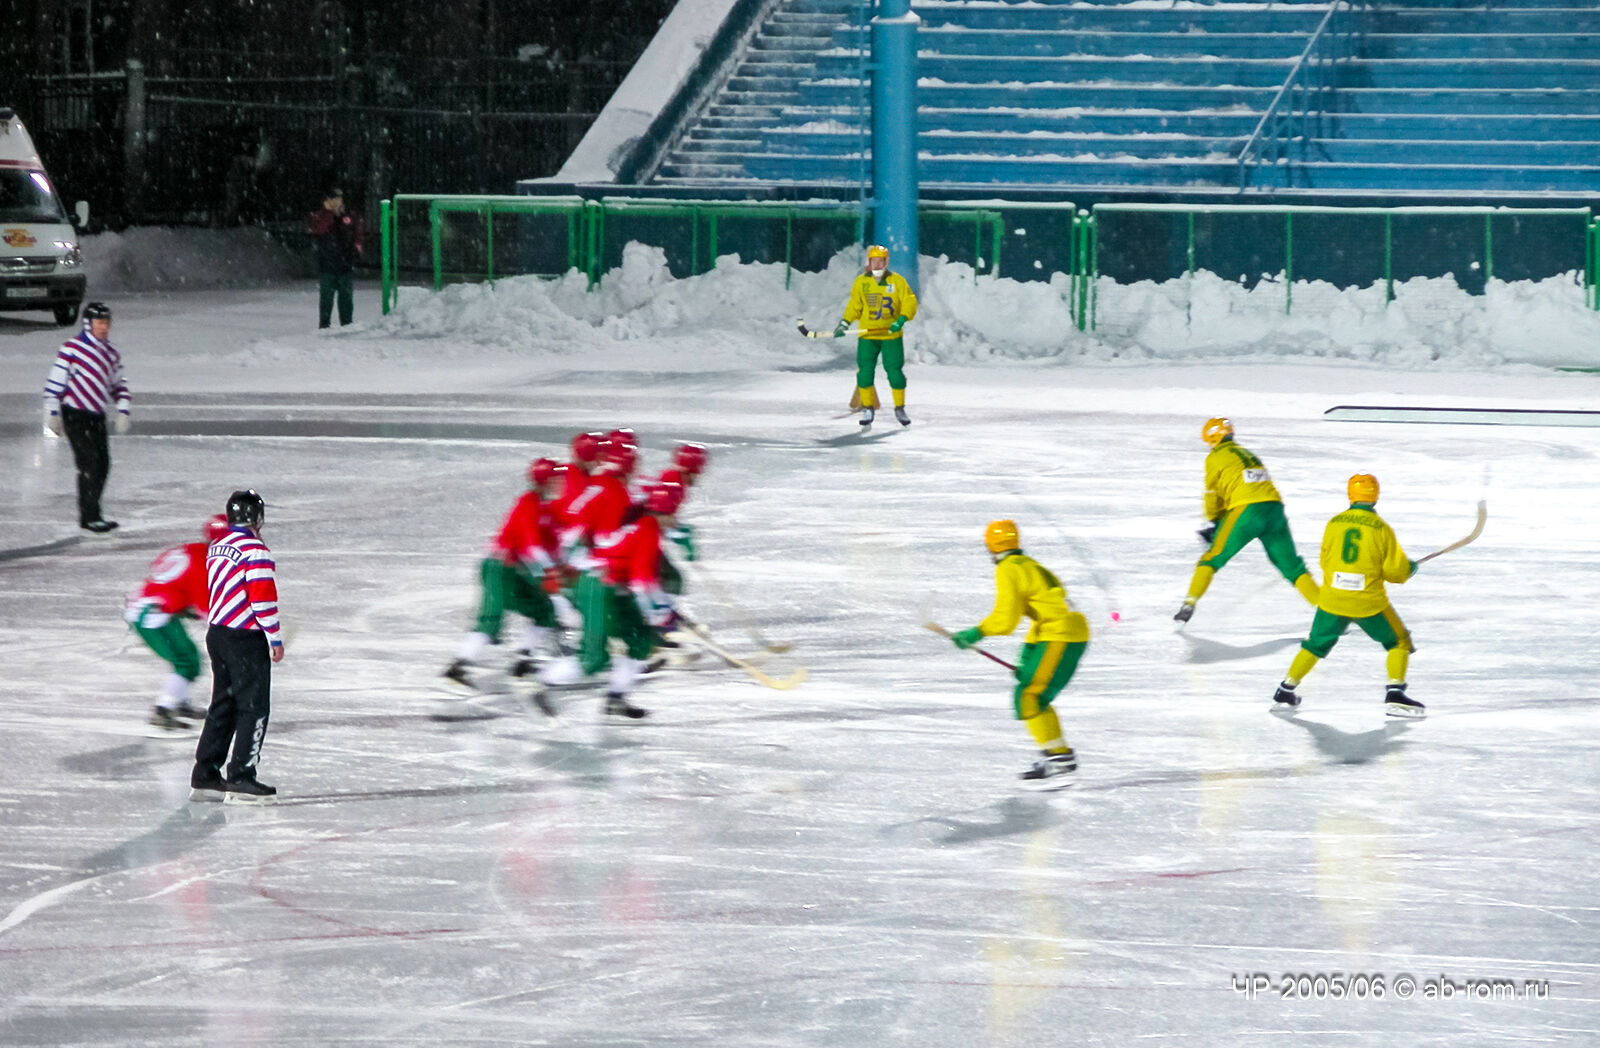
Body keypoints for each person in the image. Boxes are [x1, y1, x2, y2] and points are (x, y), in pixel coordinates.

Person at [948, 520, 1090, 786]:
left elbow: (1006, 619)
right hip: (1061, 632)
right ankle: (1057, 755)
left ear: (990, 546)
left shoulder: (1008, 568)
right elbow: (1045, 609)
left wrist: (976, 633)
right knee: (1031, 695)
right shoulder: (1028, 564)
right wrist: (1028, 655)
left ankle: (1059, 758)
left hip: (1060, 634)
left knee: (1029, 696)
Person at [1272, 473, 1425, 718]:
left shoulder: (1334, 523)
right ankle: (1395, 692)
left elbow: (1325, 560)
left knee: (1315, 645)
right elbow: (1394, 572)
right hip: (1368, 603)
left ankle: (1285, 689)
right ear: (1375, 496)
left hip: (1332, 599)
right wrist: (1409, 568)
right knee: (1399, 642)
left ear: (1350, 495)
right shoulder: (1382, 529)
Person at [1175, 417, 1319, 624]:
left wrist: (1214, 519)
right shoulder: (1247, 453)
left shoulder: (1215, 457)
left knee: (1211, 558)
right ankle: (1327, 613)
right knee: (1293, 568)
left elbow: (1212, 493)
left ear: (1212, 438)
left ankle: (1189, 604)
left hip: (1247, 510)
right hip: (1274, 508)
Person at [191, 490, 284, 802]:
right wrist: (274, 638)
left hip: (218, 633)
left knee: (223, 704)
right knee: (254, 707)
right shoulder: (256, 552)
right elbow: (262, 599)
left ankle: (205, 774)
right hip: (245, 637)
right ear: (257, 518)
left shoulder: (217, 547)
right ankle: (242, 776)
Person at [443, 458, 565, 690]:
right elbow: (531, 546)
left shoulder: (543, 507)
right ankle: (458, 666)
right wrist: (548, 573)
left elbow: (550, 544)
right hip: (498, 569)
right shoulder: (528, 503)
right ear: (544, 481)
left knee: (544, 611)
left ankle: (523, 660)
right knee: (491, 621)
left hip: (512, 571)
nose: (560, 483)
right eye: (555, 479)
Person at [127, 515, 230, 731]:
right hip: (152, 616)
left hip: (151, 608)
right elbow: (209, 612)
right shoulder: (203, 566)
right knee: (186, 661)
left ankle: (177, 701)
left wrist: (180, 601)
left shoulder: (191, 550)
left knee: (187, 657)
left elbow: (163, 572)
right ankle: (164, 710)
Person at [42, 301, 130, 533]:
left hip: (96, 416)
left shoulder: (111, 353)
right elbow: (56, 382)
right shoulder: (71, 349)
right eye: (99, 322)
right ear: (88, 324)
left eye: (107, 322)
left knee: (103, 464)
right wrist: (53, 413)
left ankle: (94, 513)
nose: (104, 327)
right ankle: (89, 517)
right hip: (75, 415)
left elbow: (118, 384)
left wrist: (123, 409)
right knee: (89, 462)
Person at [834, 244, 918, 429]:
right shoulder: (861, 282)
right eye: (874, 261)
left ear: (886, 262)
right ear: (869, 262)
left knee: (895, 373)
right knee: (865, 372)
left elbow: (909, 301)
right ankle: (868, 408)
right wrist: (845, 323)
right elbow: (855, 306)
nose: (877, 264)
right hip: (868, 336)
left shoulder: (897, 281)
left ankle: (899, 408)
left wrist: (901, 319)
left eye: (881, 261)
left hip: (891, 336)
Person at [308, 187, 363, 328]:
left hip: (345, 263)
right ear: (327, 200)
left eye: (339, 198)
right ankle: (324, 326)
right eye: (333, 199)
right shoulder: (320, 215)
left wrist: (357, 247)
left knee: (346, 299)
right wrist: (329, 213)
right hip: (327, 263)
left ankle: (347, 325)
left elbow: (357, 232)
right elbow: (319, 229)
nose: (336, 202)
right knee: (326, 299)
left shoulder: (349, 215)